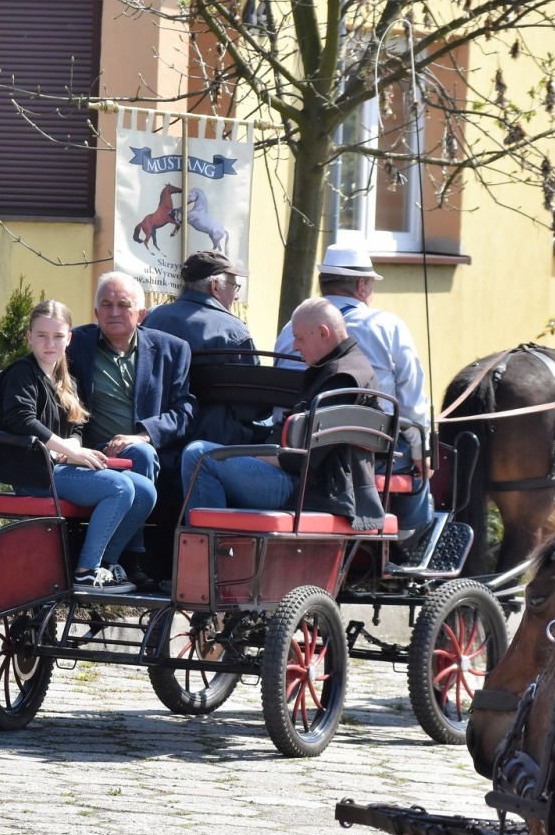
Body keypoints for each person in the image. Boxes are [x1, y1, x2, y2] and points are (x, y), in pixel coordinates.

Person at [0, 300, 157, 593]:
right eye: (41, 335)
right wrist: (70, 450)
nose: (50, 343)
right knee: (120, 488)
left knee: (145, 490)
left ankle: (105, 563)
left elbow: (77, 425)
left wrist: (72, 444)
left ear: (69, 338)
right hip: (34, 474)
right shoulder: (21, 374)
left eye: (58, 336)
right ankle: (86, 571)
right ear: (29, 336)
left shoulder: (66, 380)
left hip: (60, 467)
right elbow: (20, 419)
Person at [271, 238, 434, 541]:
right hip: (365, 453)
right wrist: (421, 450)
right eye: (371, 284)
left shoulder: (293, 327)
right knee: (423, 465)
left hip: (298, 444)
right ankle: (408, 536)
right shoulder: (387, 325)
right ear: (361, 285)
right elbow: (412, 398)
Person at [180, 298, 388, 531]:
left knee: (200, 456)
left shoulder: (339, 378)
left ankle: (208, 552)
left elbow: (300, 458)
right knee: (217, 454)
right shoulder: (354, 368)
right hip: (335, 489)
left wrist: (254, 455)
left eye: (299, 338)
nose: (294, 347)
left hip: (309, 493)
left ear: (323, 332)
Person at [66, 272, 194, 588]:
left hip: (144, 447)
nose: (113, 312)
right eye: (106, 305)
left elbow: (184, 410)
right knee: (138, 459)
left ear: (141, 313)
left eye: (123, 305)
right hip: (88, 452)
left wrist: (142, 435)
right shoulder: (75, 345)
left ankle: (126, 558)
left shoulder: (172, 350)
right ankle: (122, 560)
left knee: (141, 453)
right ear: (95, 313)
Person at [142, 250, 266, 447]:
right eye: (234, 286)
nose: (236, 296)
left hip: (155, 434)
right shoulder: (234, 330)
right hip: (213, 440)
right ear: (215, 286)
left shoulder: (152, 318)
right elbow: (252, 405)